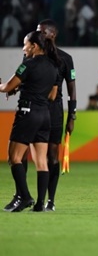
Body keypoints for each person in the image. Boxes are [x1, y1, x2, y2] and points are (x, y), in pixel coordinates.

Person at [0, 30, 60, 212]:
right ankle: (41, 203)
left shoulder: (28, 65)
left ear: (34, 46)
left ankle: (25, 196)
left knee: (14, 157)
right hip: (44, 115)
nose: (23, 48)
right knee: (41, 161)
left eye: (25, 44)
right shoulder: (53, 66)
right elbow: (52, 95)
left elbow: (7, 87)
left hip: (27, 113)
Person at [35, 19, 77, 211]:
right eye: (38, 32)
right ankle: (28, 197)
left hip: (54, 111)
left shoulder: (65, 59)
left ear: (52, 35)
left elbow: (72, 89)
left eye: (42, 32)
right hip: (34, 109)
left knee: (52, 157)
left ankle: (50, 200)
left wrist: (72, 116)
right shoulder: (32, 55)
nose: (39, 35)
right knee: (29, 154)